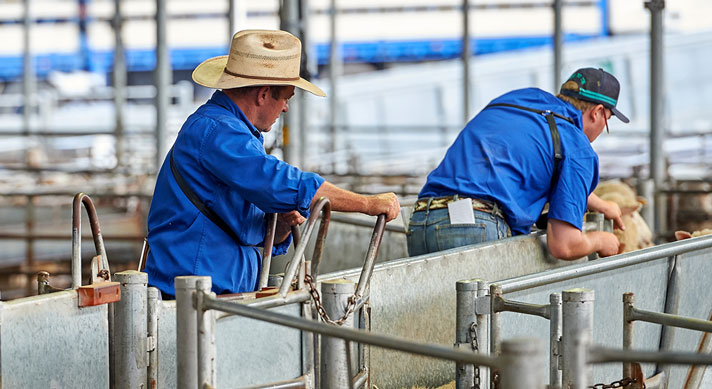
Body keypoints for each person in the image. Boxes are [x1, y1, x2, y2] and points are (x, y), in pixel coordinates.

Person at [145, 30, 400, 298]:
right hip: (190, 295)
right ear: (263, 94)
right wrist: (367, 204)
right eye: (286, 97)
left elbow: (242, 222)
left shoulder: (235, 133)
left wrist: (279, 226)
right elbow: (277, 182)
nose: (286, 108)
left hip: (217, 291)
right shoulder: (217, 130)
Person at [407, 67, 627, 260]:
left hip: (421, 221)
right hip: (475, 225)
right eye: (608, 120)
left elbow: (520, 168)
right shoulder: (578, 147)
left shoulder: (521, 99)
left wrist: (603, 205)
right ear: (597, 112)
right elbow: (564, 245)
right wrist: (600, 240)